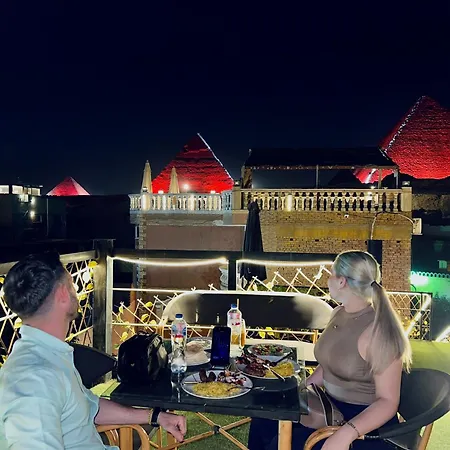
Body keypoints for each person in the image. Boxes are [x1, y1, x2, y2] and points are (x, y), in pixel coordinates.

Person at [0, 252, 187, 449]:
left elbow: (90, 407)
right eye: (72, 284)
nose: (75, 291)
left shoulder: (50, 354)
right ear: (63, 293)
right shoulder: (33, 379)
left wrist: (155, 416)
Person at [248, 250, 412, 450]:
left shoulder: (379, 332)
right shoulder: (338, 313)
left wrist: (346, 434)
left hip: (366, 425)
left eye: (331, 274)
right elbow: (328, 365)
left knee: (282, 444)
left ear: (342, 281)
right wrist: (298, 390)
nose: (328, 280)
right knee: (264, 419)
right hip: (329, 408)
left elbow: (387, 402)